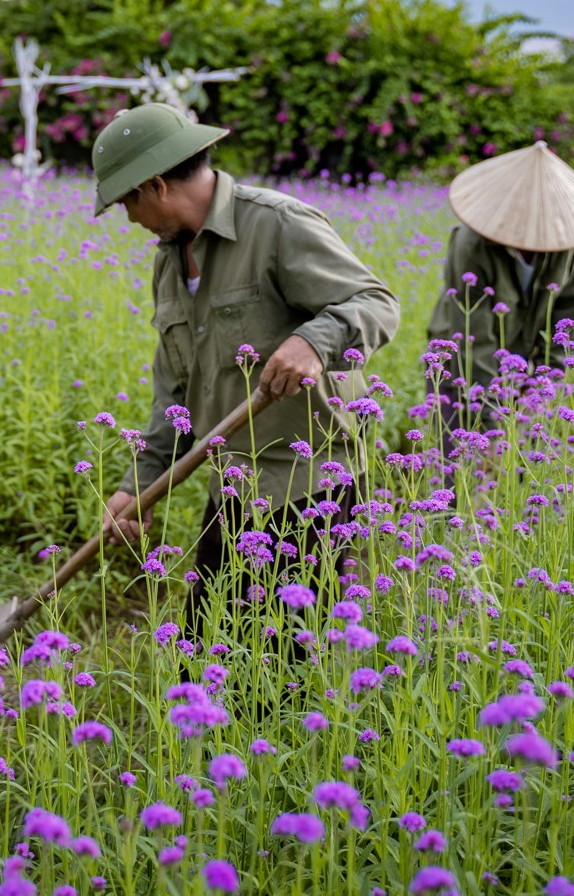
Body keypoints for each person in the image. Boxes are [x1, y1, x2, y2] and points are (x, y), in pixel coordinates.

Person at [89, 102, 400, 629]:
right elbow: (176, 392)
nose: (129, 218)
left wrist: (313, 341)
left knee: (286, 665)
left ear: (156, 187)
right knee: (204, 652)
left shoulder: (277, 224)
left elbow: (375, 302)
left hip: (311, 484)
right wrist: (136, 485)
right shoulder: (169, 263)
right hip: (234, 481)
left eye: (126, 203)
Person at [424, 139, 574, 420]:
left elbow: (565, 315)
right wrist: (488, 415)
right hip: (457, 363)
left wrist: (549, 389)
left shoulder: (566, 244)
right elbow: (473, 334)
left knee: (520, 458)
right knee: (459, 456)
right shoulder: (473, 243)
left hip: (521, 367)